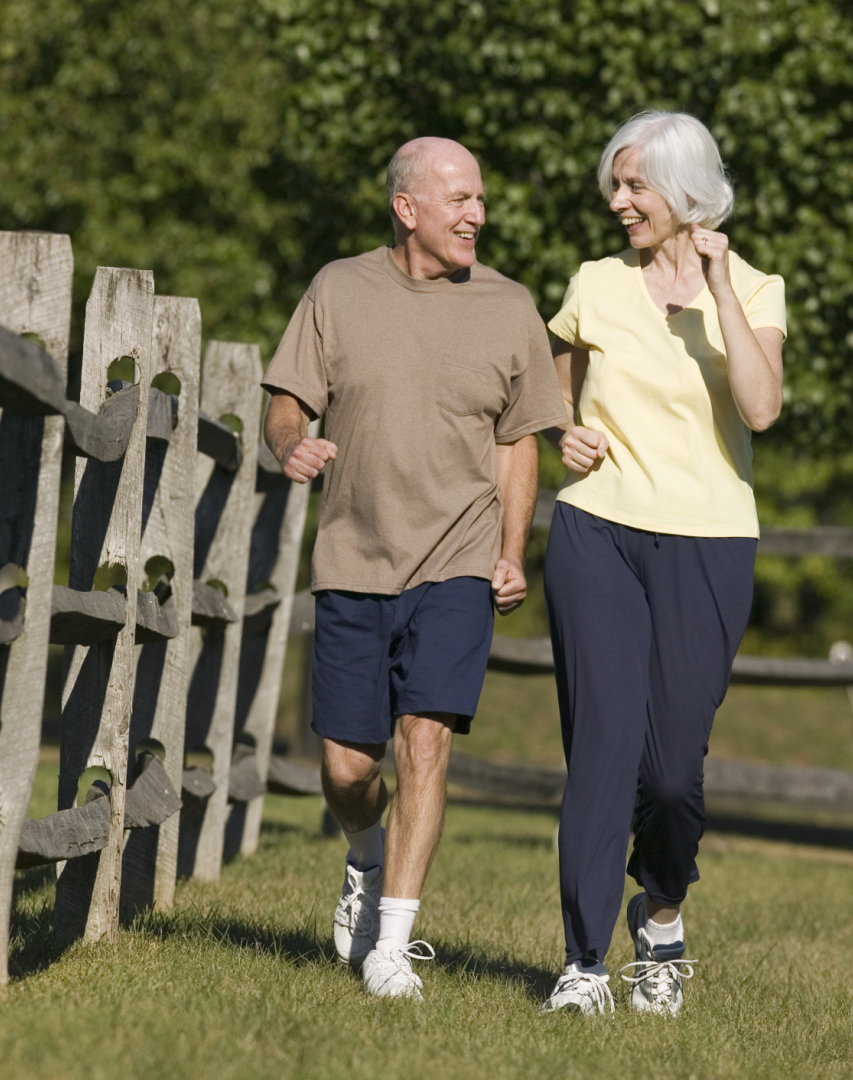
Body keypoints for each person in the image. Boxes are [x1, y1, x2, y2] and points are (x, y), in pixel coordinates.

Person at [261, 137, 570, 1002]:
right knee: (348, 770)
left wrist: (510, 554)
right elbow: (287, 403)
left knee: (424, 741)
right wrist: (291, 445)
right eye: (460, 200)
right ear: (408, 209)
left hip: (459, 560)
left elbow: (518, 442)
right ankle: (364, 855)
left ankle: (393, 945)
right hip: (355, 557)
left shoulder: (510, 307)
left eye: (479, 200)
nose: (478, 214)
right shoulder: (338, 289)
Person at [539, 112, 787, 1015]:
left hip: (711, 541)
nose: (618, 201)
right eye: (616, 184)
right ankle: (582, 965)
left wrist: (719, 290)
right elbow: (549, 389)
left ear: (684, 193)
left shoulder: (757, 289)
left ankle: (664, 912)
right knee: (602, 751)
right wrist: (560, 432)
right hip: (596, 531)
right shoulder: (596, 284)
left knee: (675, 774)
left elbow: (761, 410)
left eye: (634, 185)